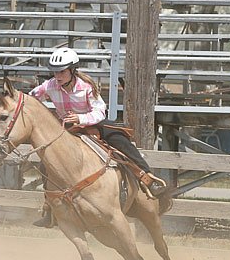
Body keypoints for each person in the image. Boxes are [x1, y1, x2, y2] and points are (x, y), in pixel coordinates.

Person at [30, 47, 167, 227]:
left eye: (62, 71)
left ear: (72, 70)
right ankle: (50, 207)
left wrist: (81, 118)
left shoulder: (86, 86)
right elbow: (31, 99)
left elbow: (100, 111)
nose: (58, 75)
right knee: (47, 162)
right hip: (67, 129)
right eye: (55, 71)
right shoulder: (49, 86)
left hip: (91, 124)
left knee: (121, 140)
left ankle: (147, 178)